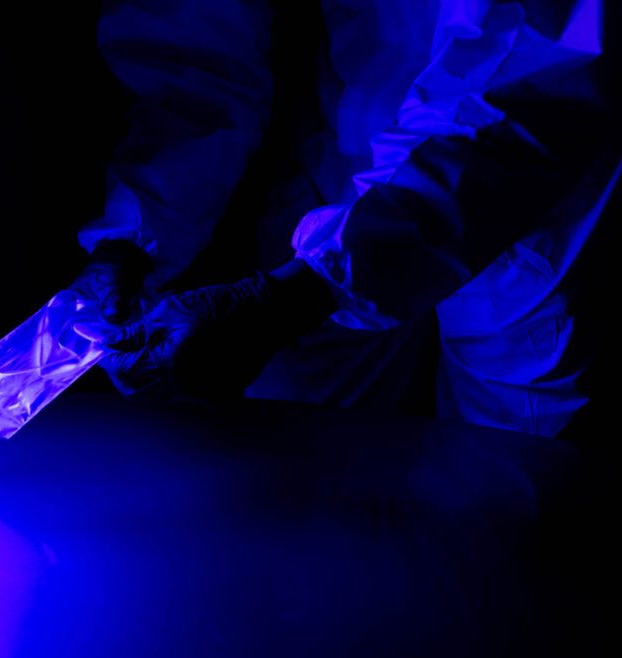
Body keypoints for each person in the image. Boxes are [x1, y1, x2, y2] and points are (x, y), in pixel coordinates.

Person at [70, 0, 619, 437]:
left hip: (531, 202)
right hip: (347, 154)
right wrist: (135, 231)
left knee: (503, 496)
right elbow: (193, 51)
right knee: (280, 475)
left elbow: (540, 67)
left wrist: (302, 291)